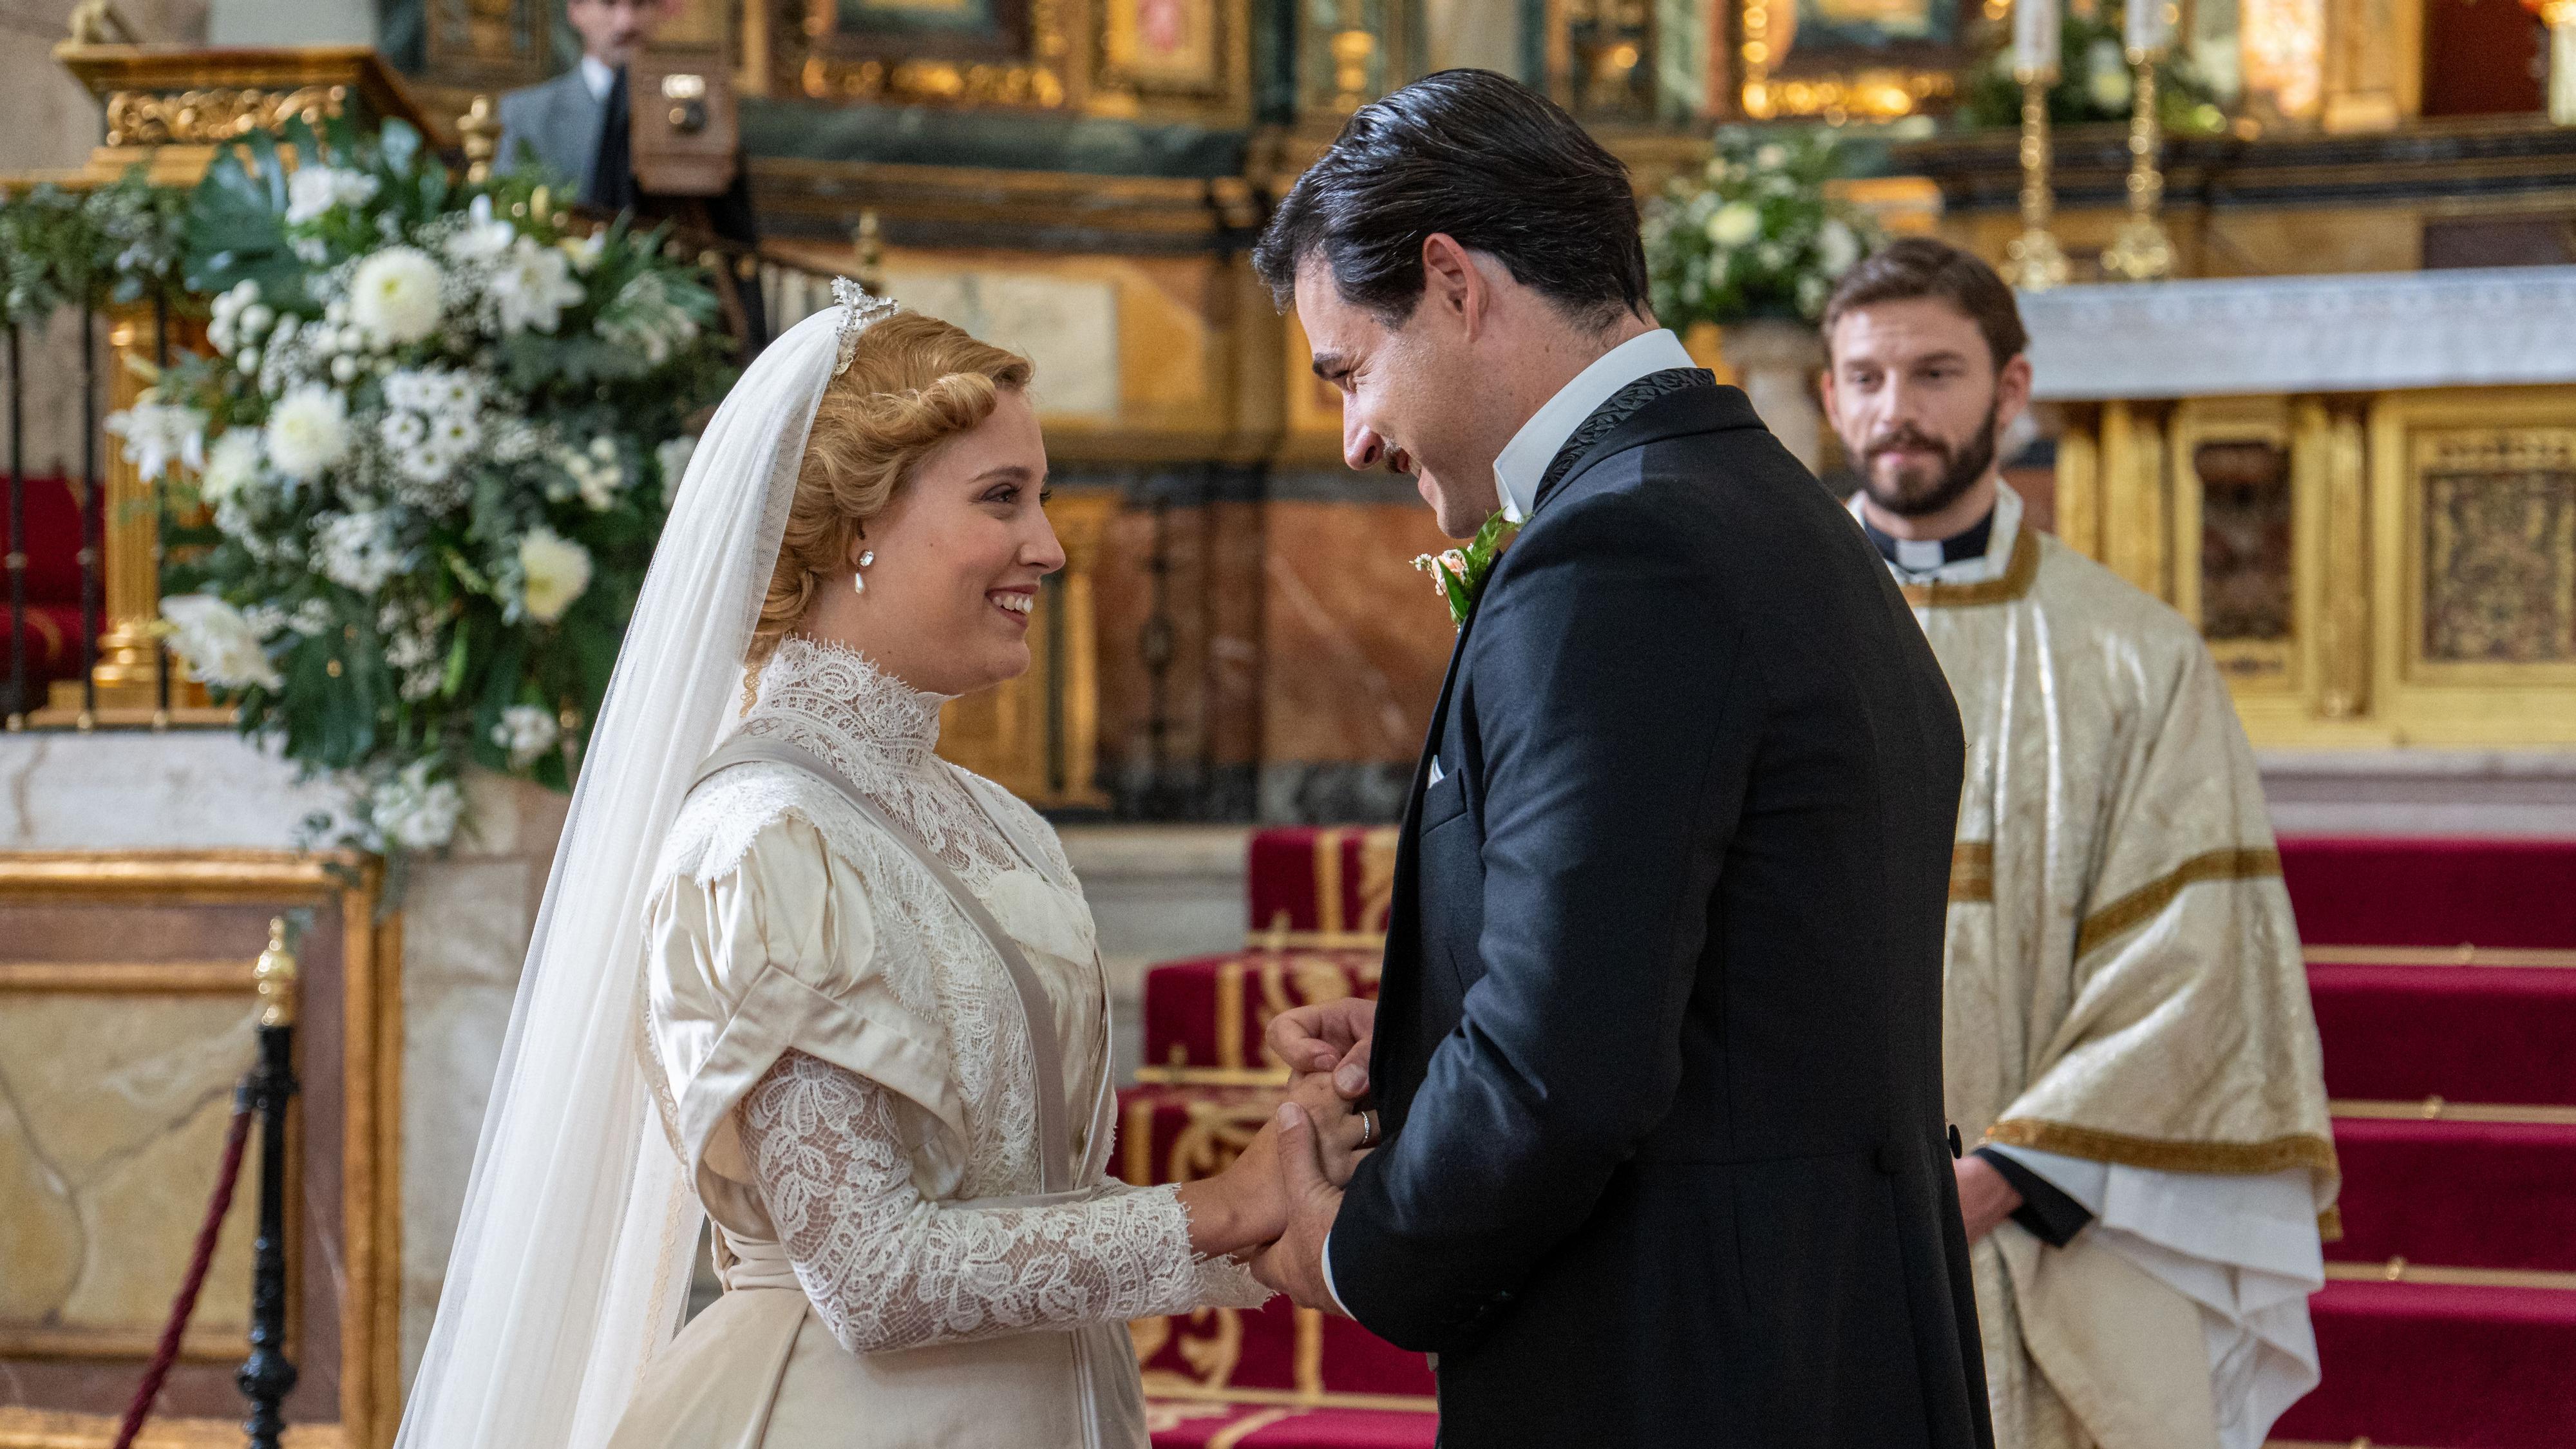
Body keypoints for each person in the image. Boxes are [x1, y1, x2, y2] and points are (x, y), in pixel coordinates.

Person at [1248, 70, 1994, 1449]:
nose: (1355, 437)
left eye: (1350, 370)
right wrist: (1431, 1019)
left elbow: (1564, 1070)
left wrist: (1355, 1254)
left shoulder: (1615, 553)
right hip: (1813, 1344)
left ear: (1452, 283)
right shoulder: (1760, 506)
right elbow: (1723, 977)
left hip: (1690, 1378)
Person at [393, 290, 1278, 1449]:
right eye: (1002, 497)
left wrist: (1267, 1239)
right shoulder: (766, 841)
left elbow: (1015, 1207)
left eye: (1043, 497)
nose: (1051, 547)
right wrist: (1210, 1213)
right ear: (858, 523)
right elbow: (871, 1272)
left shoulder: (1001, 823)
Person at [1816, 236, 2336, 1449]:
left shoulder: (2135, 655)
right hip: (1808, 1219)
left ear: (2012, 389)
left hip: (2056, 1219)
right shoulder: (1757, 629)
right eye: (1868, 378)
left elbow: (2194, 956)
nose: (1897, 411)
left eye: (1935, 373)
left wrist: (2005, 1171)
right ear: (1830, 396)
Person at [498, 0, 768, 346]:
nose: (626, 23)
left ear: (664, 10)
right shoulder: (528, 116)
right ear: (575, 10)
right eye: (609, 4)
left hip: (675, 331)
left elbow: (730, 238)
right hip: (561, 333)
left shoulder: (705, 110)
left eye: (640, 4)